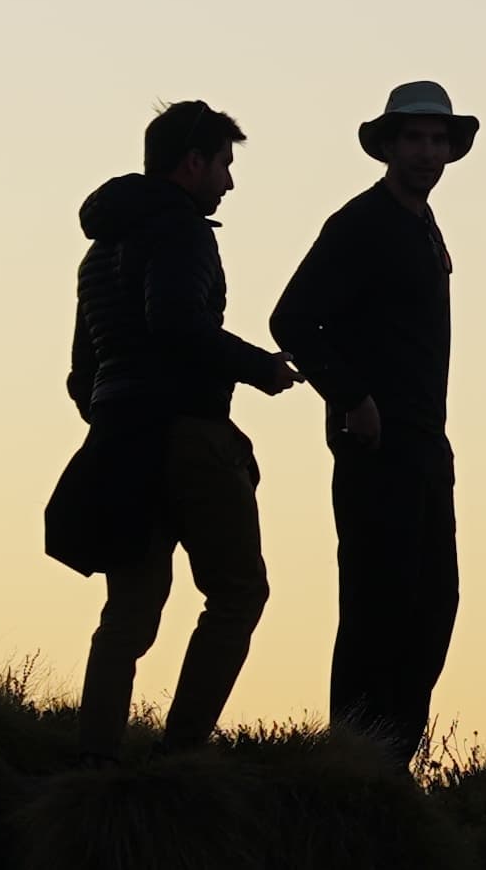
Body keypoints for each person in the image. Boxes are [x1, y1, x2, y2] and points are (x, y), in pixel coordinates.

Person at [46, 99, 299, 758]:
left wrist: (115, 417)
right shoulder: (184, 231)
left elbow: (82, 372)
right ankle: (180, 757)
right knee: (238, 591)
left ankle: (94, 767)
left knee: (127, 614)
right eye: (224, 163)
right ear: (194, 162)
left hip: (119, 440)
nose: (229, 181)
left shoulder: (100, 250)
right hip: (190, 435)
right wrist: (260, 369)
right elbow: (178, 325)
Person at [273, 80, 476, 766]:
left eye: (437, 139)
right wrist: (352, 397)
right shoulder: (361, 223)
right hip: (378, 446)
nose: (427, 151)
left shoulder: (420, 226)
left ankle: (388, 760)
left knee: (433, 603)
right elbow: (293, 318)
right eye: (414, 138)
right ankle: (353, 764)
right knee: (377, 606)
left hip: (425, 443)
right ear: (388, 145)